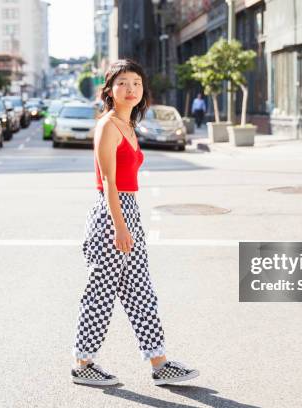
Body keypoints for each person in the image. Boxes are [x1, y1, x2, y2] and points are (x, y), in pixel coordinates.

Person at [71, 59, 199, 387]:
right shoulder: (107, 126)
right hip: (111, 218)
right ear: (110, 90)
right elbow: (108, 183)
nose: (131, 89)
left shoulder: (128, 125)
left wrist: (129, 222)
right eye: (123, 83)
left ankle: (159, 363)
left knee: (141, 292)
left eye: (136, 83)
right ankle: (83, 363)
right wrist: (120, 227)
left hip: (128, 214)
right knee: (101, 291)